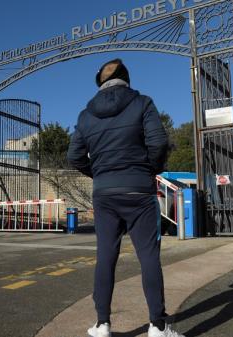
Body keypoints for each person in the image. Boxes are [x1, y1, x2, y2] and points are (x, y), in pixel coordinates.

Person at [67, 59, 184, 337]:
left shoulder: (86, 115)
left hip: (104, 195)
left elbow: (74, 157)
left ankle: (102, 324)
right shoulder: (143, 103)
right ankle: (157, 326)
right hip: (139, 192)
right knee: (148, 257)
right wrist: (147, 171)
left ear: (101, 82)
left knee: (106, 257)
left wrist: (100, 173)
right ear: (126, 78)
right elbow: (159, 143)